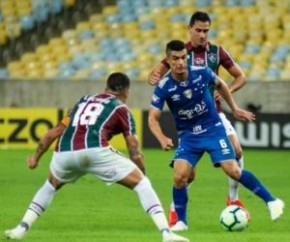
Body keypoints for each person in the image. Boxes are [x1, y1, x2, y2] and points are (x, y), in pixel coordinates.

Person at [4, 72, 189, 242]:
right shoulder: (121, 109)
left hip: (64, 153)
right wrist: (142, 173)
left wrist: (36, 157)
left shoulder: (83, 101)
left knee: (50, 185)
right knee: (143, 184)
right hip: (95, 151)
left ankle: (21, 228)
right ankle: (166, 233)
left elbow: (53, 133)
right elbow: (133, 147)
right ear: (126, 91)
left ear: (106, 88)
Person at [148, 40, 284, 232]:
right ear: (168, 61)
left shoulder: (201, 72)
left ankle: (272, 201)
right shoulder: (164, 86)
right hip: (188, 136)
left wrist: (234, 108)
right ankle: (181, 221)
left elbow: (221, 84)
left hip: (212, 128)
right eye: (175, 59)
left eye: (183, 57)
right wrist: (161, 137)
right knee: (180, 176)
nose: (180, 62)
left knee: (232, 169)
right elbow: (152, 118)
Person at [148, 11, 249, 226]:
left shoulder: (217, 52)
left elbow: (240, 76)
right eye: (198, 30)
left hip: (214, 114)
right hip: (189, 120)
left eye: (206, 30)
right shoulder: (179, 53)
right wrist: (154, 76)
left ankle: (233, 199)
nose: (203, 35)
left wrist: (224, 91)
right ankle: (176, 208)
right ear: (189, 29)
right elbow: (155, 74)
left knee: (237, 151)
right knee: (188, 175)